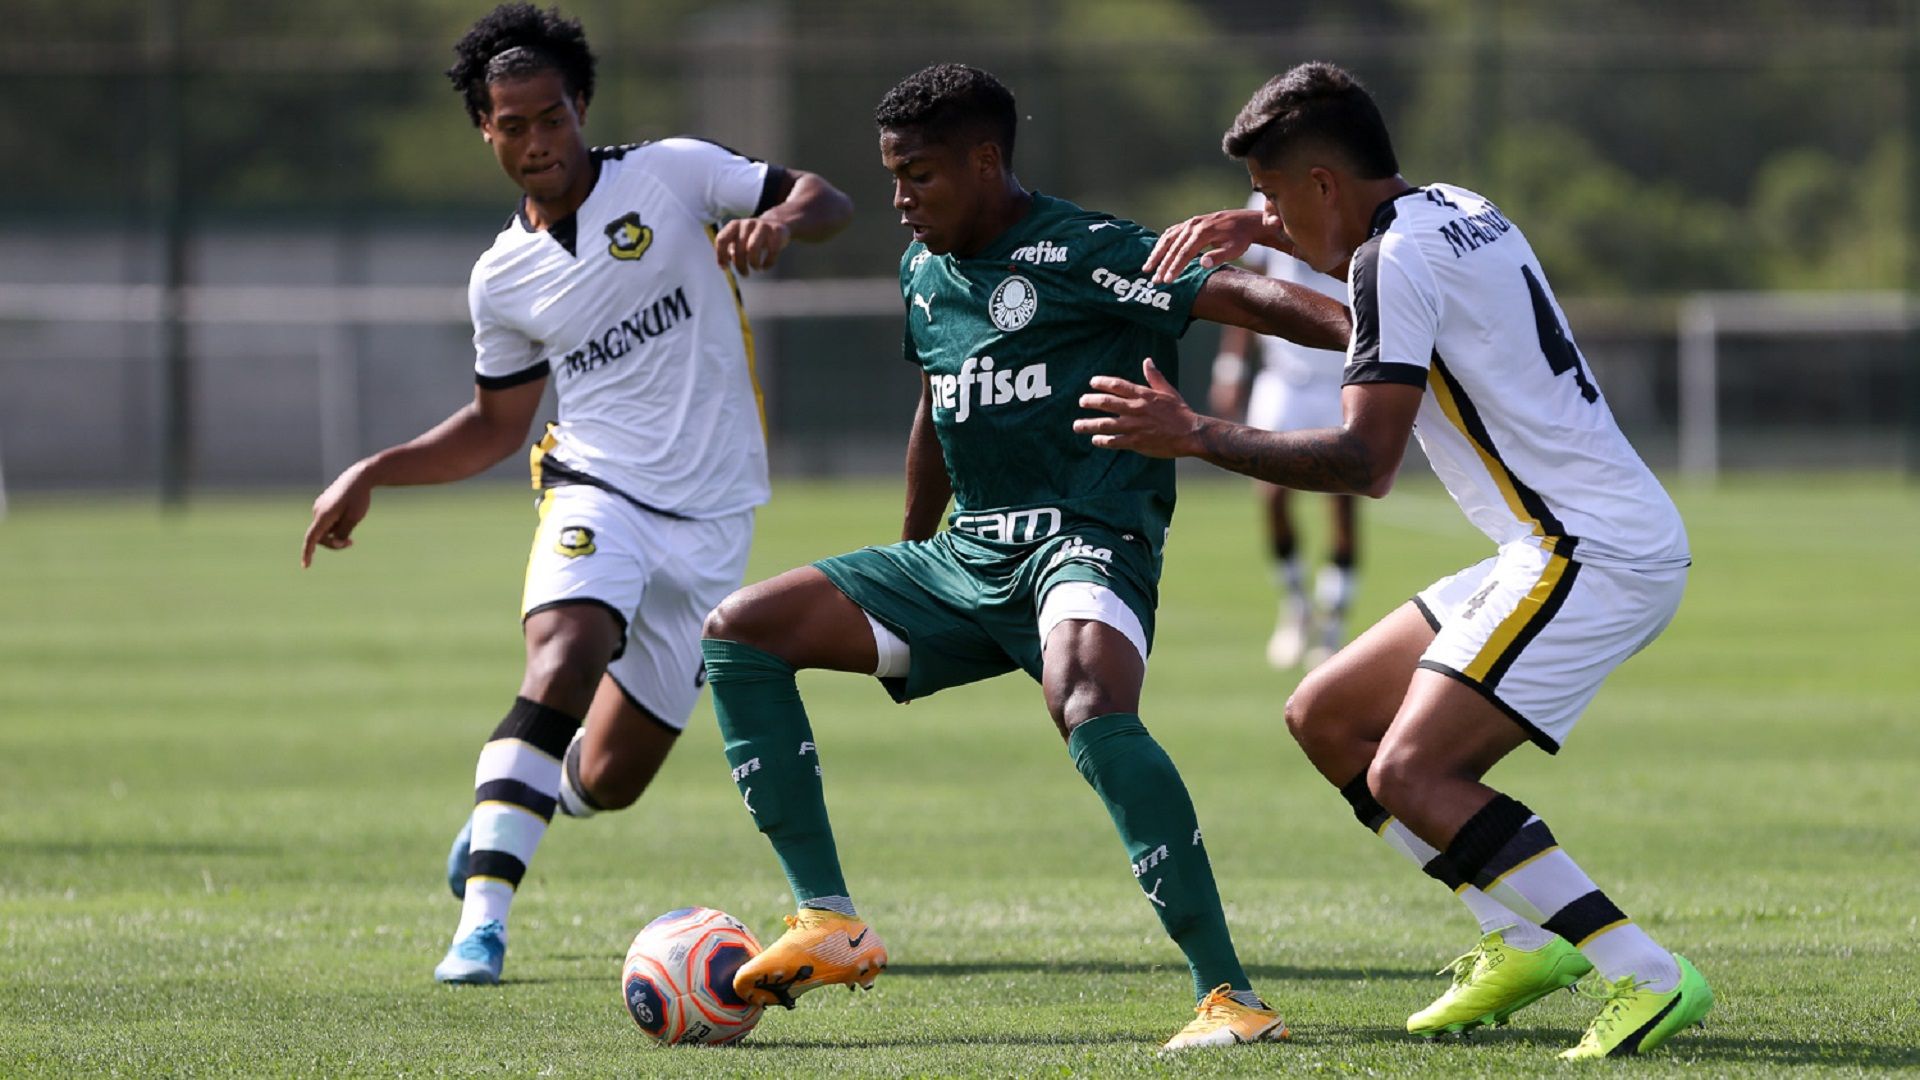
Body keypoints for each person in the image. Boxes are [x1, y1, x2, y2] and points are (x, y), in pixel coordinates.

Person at [697, 63, 1350, 1049]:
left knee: (1085, 698)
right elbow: (936, 407)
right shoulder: (924, 271)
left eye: (919, 175)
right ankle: (826, 920)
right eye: (891, 177)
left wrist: (1372, 340)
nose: (901, 199)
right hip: (964, 561)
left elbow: (1248, 300)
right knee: (739, 634)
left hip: (1088, 538)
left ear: (986, 159)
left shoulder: (1084, 249)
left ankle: (1232, 999)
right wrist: (909, 558)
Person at [1077, 61, 1712, 1060]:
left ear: (1325, 184)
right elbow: (1374, 272)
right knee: (1326, 714)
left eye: (1275, 194)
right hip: (1550, 543)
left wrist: (1195, 433)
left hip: (1592, 553)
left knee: (1414, 771)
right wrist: (1261, 231)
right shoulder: (1459, 207)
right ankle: (1520, 939)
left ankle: (1645, 972)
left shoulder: (1390, 261)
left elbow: (1362, 462)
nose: (1267, 216)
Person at [298, 2, 852, 985]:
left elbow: (827, 196)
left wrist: (778, 222)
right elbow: (495, 425)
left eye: (550, 117)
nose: (535, 141)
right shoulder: (501, 279)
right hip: (596, 487)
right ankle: (482, 925)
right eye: (511, 125)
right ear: (485, 129)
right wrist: (374, 467)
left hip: (715, 522)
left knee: (608, 779)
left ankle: (502, 818)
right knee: (565, 651)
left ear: (580, 105)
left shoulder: (672, 174)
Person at [1209, 191, 1358, 671]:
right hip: (1283, 377)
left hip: (1341, 375)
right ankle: (1295, 606)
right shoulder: (1269, 198)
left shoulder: (1351, 198)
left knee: (1342, 502)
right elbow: (1253, 283)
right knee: (1271, 496)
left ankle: (1331, 626)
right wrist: (1231, 364)